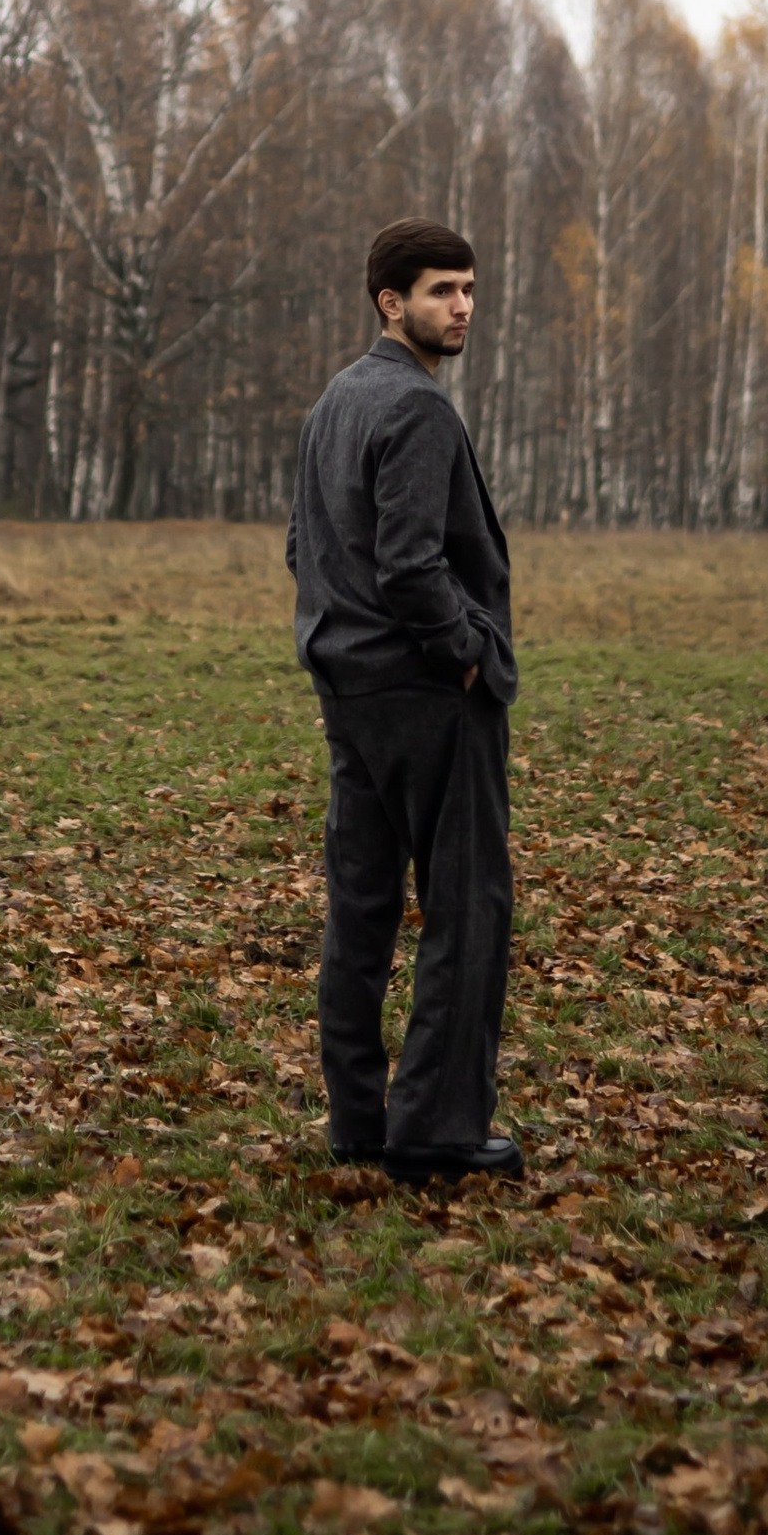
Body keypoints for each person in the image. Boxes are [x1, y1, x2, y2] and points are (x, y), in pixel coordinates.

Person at [283, 218, 521, 1186]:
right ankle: (435, 1130)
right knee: (466, 910)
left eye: (467, 288)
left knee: (364, 908)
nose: (461, 307)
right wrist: (465, 654)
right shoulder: (415, 409)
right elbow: (411, 562)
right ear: (392, 303)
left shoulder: (335, 400)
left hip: (350, 689)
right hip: (425, 694)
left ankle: (357, 1121)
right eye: (439, 290)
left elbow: (304, 550)